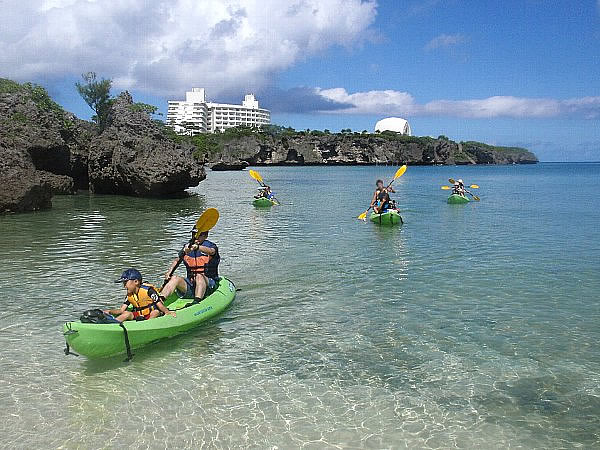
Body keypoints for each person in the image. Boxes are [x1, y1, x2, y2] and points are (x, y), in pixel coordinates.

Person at [161, 229, 220, 304]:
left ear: (205, 236)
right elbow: (177, 260)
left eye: (198, 235)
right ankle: (160, 301)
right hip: (191, 285)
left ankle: (197, 301)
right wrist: (169, 272)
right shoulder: (187, 247)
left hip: (209, 284)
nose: (195, 237)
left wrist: (197, 247)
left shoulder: (211, 246)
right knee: (174, 278)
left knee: (199, 276)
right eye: (193, 234)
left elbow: (211, 251)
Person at [105, 268, 176, 322]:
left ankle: (147, 325)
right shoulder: (129, 295)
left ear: (136, 282)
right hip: (139, 315)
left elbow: (159, 304)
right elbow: (121, 310)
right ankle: (113, 323)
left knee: (155, 312)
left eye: (125, 283)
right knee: (126, 313)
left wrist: (167, 312)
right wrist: (110, 311)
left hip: (151, 313)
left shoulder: (148, 291)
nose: (124, 286)